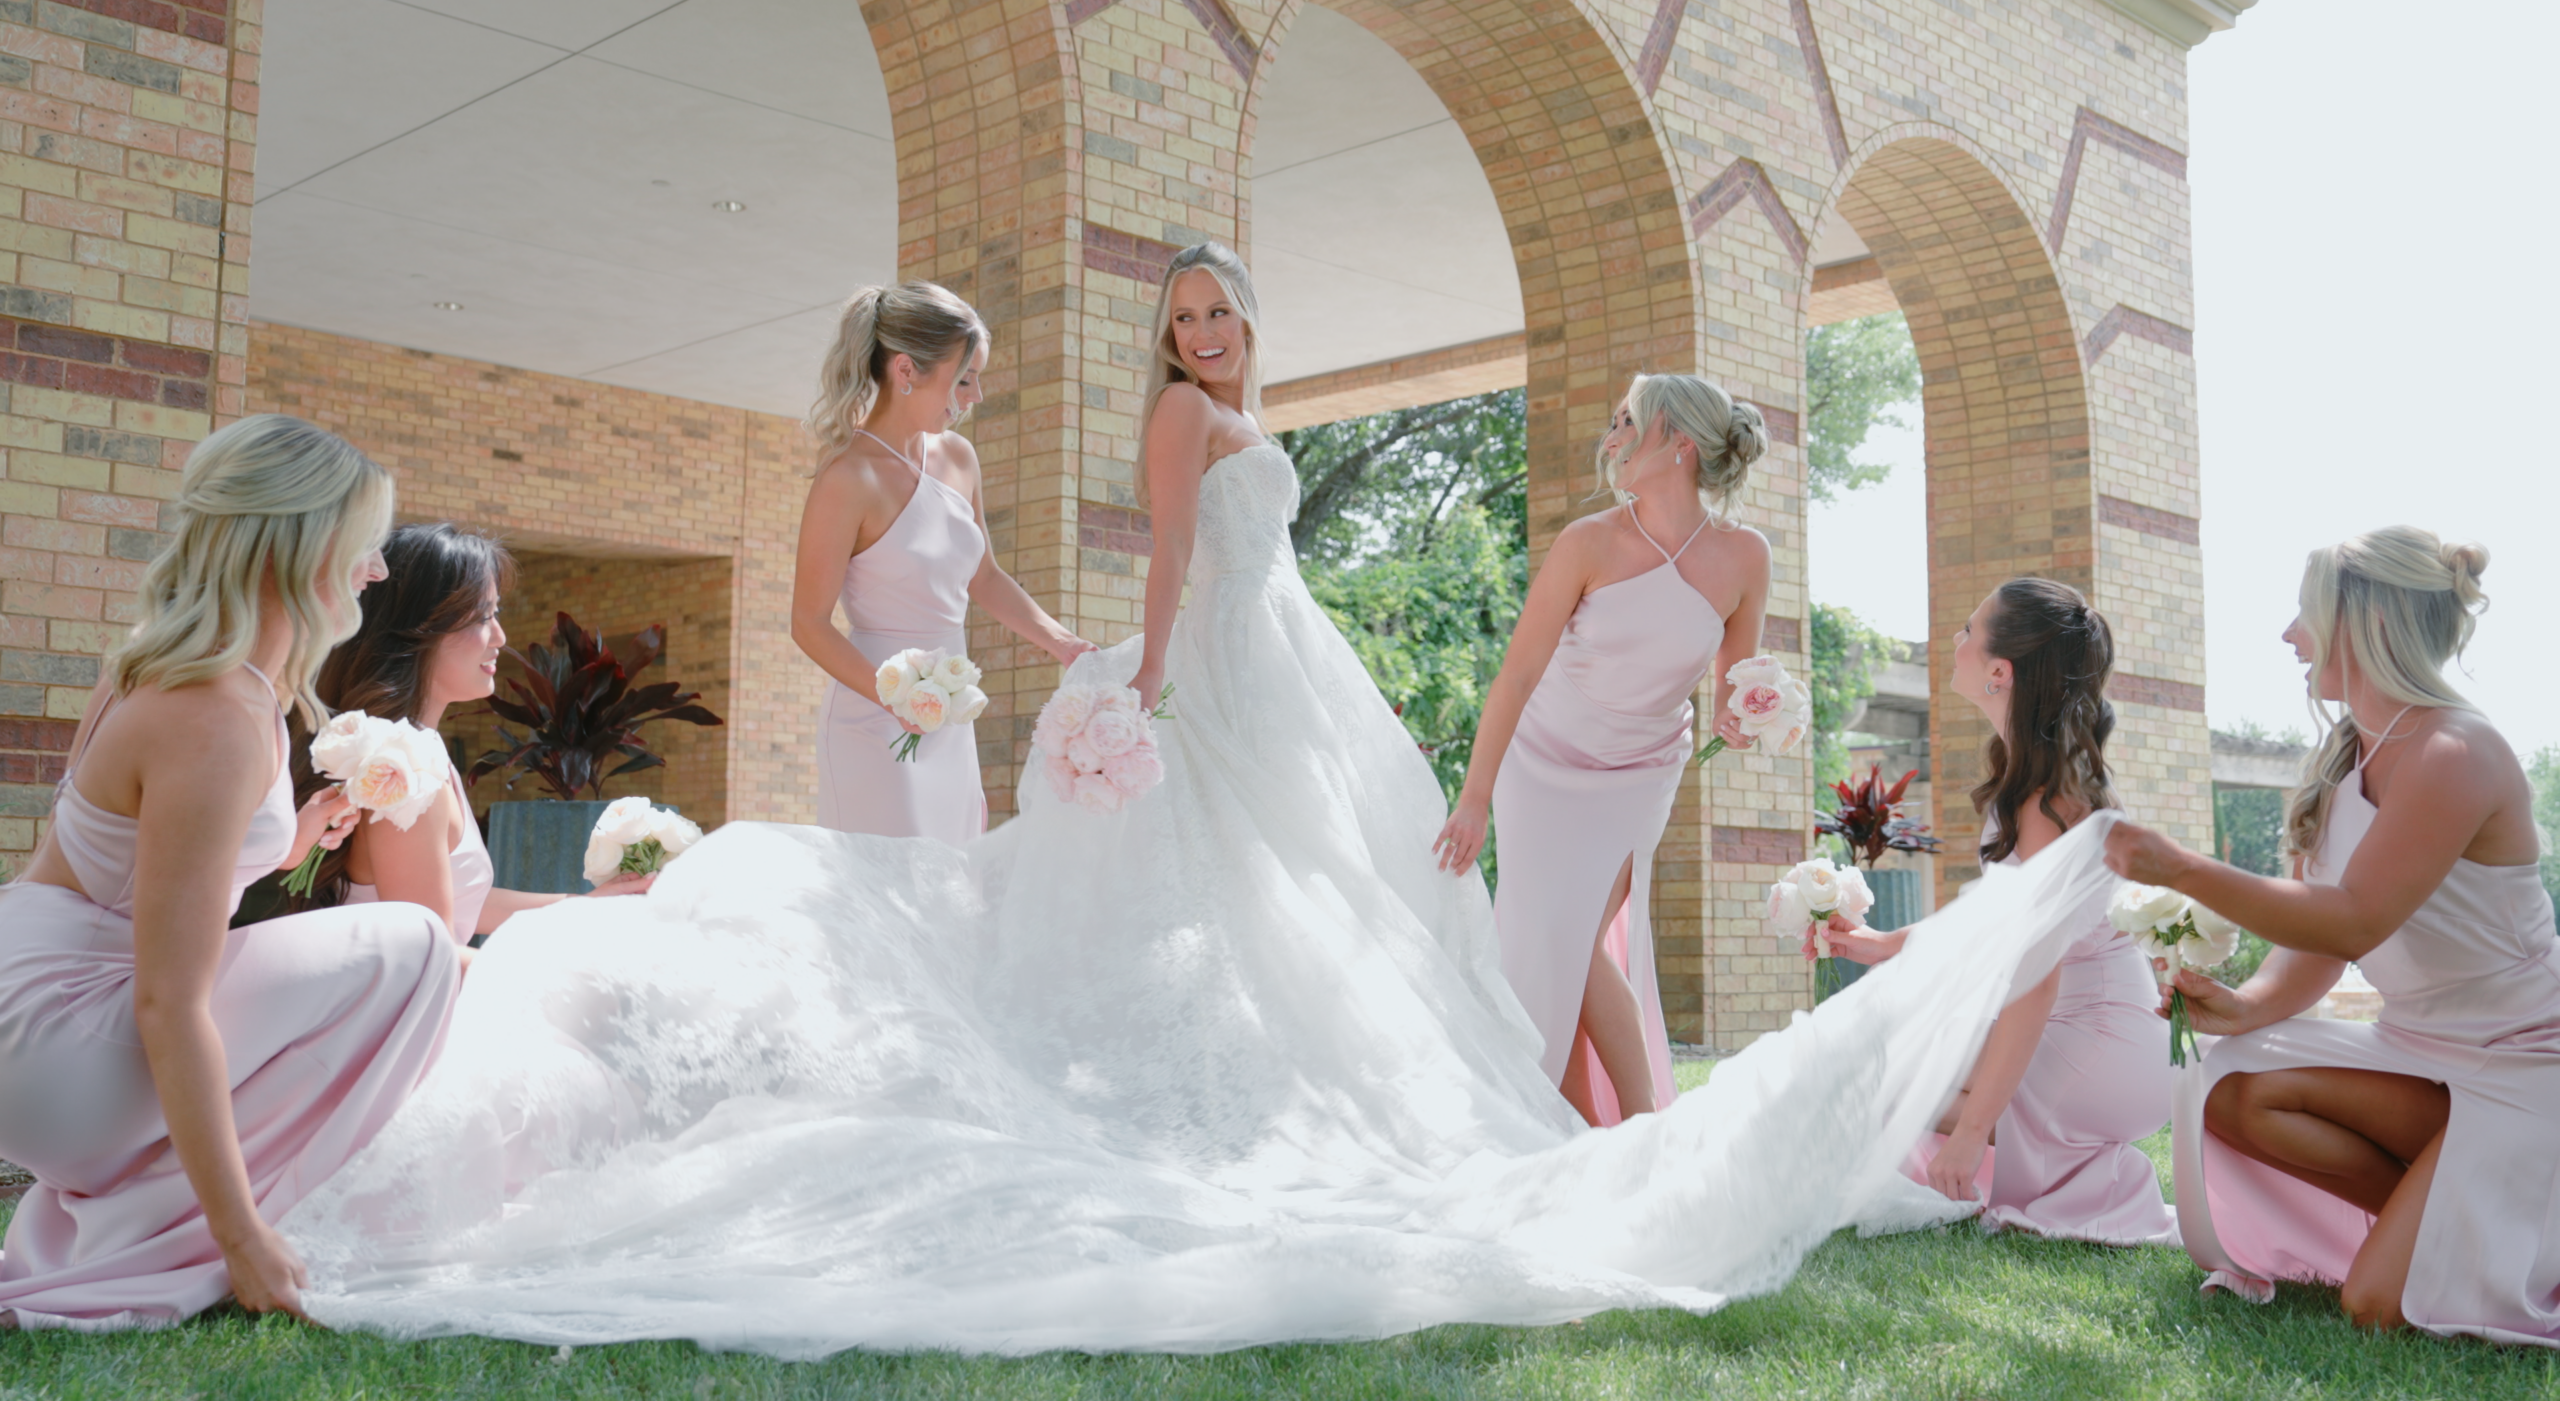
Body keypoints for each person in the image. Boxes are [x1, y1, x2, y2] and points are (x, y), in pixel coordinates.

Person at [274, 249, 2132, 1358]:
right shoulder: (1171, 432)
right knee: (1214, 888)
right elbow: (1175, 568)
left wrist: (1078, 642)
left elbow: (1145, 567)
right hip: (1210, 670)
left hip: (1288, 663)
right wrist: (1138, 677)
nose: (1204, 331)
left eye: (1219, 307)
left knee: (1331, 903)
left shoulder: (1252, 426)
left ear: (1249, 322)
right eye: (1182, 317)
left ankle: (1564, 1111)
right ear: (1169, 347)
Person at [0, 415, 458, 1328]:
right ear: (304, 545)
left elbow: (128, 878)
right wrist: (239, 1234)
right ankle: (182, 1238)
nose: (376, 570)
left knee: (392, 954)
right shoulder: (217, 715)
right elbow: (170, 1001)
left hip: (29, 1013)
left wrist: (288, 846)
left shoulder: (167, 665)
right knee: (416, 949)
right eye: (365, 544)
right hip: (57, 1050)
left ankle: (122, 1224)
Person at [2108, 527, 2556, 1342]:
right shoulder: (2350, 755)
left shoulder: (2457, 750)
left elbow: (2356, 917)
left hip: (2527, 1067)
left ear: (2368, 626)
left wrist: (2180, 868)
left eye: (2304, 614)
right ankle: (2473, 1227)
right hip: (2418, 1048)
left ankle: (2486, 1231)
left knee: (2376, 1309)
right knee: (2230, 1088)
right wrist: (2242, 1008)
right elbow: (2322, 947)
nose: (2289, 636)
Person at [1433, 374, 1769, 1125]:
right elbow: (1517, 675)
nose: (1610, 437)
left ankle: (1605, 1125)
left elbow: (1737, 684)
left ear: (1678, 442)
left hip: (1641, 771)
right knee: (1555, 940)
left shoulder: (1745, 556)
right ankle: (1621, 1125)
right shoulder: (1588, 542)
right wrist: (1474, 798)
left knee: (1573, 939)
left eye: (1627, 422)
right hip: (1541, 762)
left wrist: (1743, 717)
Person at [1818, 579, 2175, 1244]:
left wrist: (1973, 1131)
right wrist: (1881, 942)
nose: (1953, 642)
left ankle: (2005, 1159)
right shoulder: (2037, 781)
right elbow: (1992, 921)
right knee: (1879, 1060)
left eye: (1966, 630)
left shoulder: (2044, 799)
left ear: (1999, 671)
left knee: (1888, 1076)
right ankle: (2013, 1157)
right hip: (2093, 1027)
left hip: (2099, 1039)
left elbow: (2036, 977)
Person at [790, 282, 1092, 844]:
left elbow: (985, 577)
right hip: (873, 717)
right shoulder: (847, 478)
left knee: (953, 885)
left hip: (951, 715)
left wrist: (1062, 643)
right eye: (965, 378)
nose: (976, 395)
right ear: (906, 371)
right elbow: (807, 623)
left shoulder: (958, 458)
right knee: (890, 894)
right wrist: (893, 696)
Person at [279, 522, 652, 955]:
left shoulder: (415, 752)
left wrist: (583, 909)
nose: (500, 637)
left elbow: (462, 903)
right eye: (482, 616)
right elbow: (429, 957)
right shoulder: (402, 776)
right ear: (420, 630)